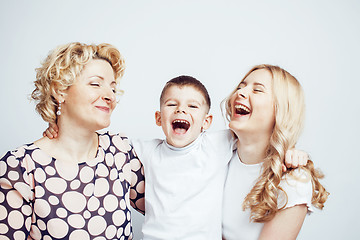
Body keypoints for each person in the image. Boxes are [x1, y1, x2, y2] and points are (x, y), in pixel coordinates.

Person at [44, 75, 308, 240]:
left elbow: (268, 143)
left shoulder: (220, 144)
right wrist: (59, 127)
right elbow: (99, 142)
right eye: (172, 105)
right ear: (159, 118)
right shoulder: (145, 151)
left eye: (192, 106)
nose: (181, 109)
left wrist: (295, 154)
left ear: (207, 122)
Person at [0, 42, 145, 240]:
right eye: (95, 83)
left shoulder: (121, 152)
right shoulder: (20, 167)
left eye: (113, 88)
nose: (110, 96)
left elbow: (172, 207)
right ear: (60, 90)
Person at [222, 64, 329, 240]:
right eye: (241, 87)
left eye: (257, 90)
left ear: (280, 110)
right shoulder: (219, 154)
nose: (239, 93)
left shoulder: (294, 181)